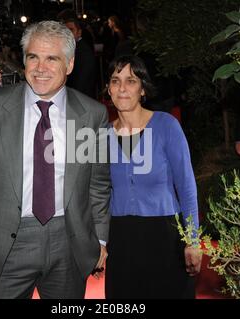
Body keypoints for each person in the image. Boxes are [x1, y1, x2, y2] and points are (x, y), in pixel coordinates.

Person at [0, 21, 110, 299]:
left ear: (70, 64)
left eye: (52, 58)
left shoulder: (91, 115)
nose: (40, 68)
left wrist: (99, 239)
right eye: (33, 57)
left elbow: (98, 184)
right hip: (7, 243)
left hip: (69, 241)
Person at [104, 55, 202, 299]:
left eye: (131, 81)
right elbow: (98, 194)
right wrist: (99, 243)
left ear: (143, 89)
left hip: (166, 236)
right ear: (108, 89)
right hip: (121, 238)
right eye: (115, 81)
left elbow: (187, 187)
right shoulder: (101, 135)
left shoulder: (166, 125)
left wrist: (193, 241)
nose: (122, 88)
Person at [63, 18, 97, 98]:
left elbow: (82, 81)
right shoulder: (72, 48)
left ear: (79, 33)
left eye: (71, 29)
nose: (68, 34)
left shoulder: (83, 51)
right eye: (65, 31)